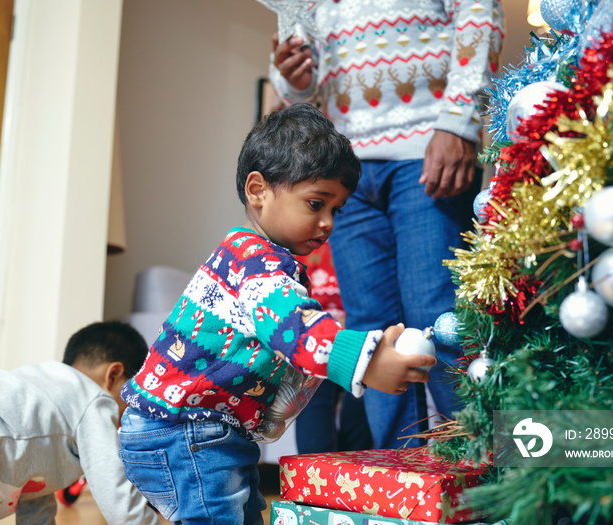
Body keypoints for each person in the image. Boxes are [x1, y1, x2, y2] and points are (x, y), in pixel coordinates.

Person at [117, 103, 435, 525]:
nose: (327, 224)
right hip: (187, 431)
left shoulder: (259, 259)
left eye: (335, 210)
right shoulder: (254, 261)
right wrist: (369, 360)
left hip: (205, 431)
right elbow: (294, 326)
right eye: (316, 203)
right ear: (257, 190)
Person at [269, 0, 505, 449]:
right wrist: (292, 81)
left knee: (441, 319)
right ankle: (402, 485)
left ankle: (489, 478)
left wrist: (459, 123)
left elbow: (480, 12)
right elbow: (300, 85)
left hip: (427, 150)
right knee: (371, 336)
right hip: (345, 166)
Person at [0, 321, 160, 525]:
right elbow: (120, 500)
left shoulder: (44, 405)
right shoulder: (93, 399)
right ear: (113, 375)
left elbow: (36, 497)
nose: (124, 420)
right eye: (132, 402)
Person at [293, 241, 373, 454]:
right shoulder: (296, 240)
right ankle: (315, 475)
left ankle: (355, 471)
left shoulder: (358, 241)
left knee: (360, 412)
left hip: (356, 334)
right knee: (313, 407)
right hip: (313, 338)